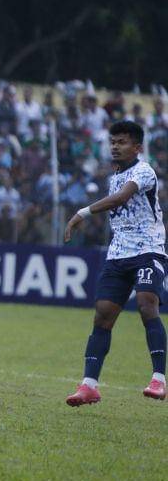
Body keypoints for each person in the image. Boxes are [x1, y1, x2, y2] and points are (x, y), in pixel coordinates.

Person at [64, 120, 167, 405]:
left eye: (122, 142)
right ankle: (89, 385)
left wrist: (81, 214)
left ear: (137, 147)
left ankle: (159, 379)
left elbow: (120, 199)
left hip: (148, 250)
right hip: (118, 253)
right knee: (103, 315)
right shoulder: (115, 176)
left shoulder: (143, 171)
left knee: (147, 305)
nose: (115, 147)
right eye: (113, 142)